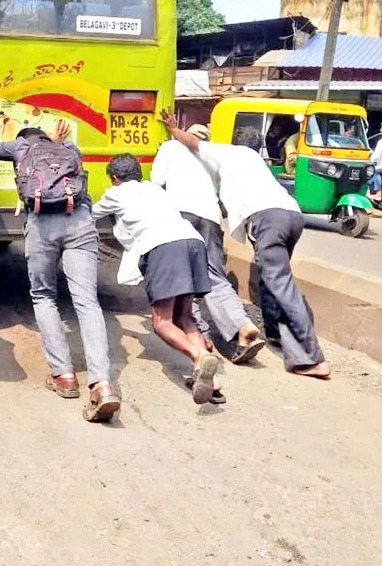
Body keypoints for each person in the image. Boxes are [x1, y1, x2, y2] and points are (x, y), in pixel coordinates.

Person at [0, 112, 121, 423]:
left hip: (42, 226)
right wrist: (61, 143)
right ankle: (102, 383)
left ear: (23, 139)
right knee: (87, 301)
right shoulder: (70, 148)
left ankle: (64, 375)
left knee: (44, 296)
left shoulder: (19, 148)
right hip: (80, 222)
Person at [159, 111, 330, 379]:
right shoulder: (256, 160)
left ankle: (311, 358)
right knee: (269, 280)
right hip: (291, 217)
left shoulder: (229, 153)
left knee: (281, 284)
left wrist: (173, 129)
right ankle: (274, 335)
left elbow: (192, 142)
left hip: (268, 219)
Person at [93, 155, 221, 405]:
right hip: (192, 241)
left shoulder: (115, 193)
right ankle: (213, 383)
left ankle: (199, 356)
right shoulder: (153, 188)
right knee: (184, 317)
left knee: (162, 322)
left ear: (114, 178)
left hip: (163, 247)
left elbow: (91, 215)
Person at [151, 125, 265, 366]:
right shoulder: (212, 155)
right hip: (210, 217)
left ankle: (200, 335)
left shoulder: (171, 147)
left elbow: (156, 180)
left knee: (184, 276)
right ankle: (242, 325)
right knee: (214, 274)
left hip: (180, 215)